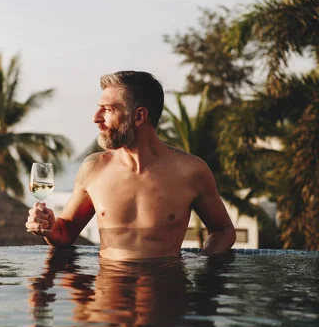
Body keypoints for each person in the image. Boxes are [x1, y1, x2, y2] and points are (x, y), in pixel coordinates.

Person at [26, 71, 236, 259]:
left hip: (162, 298)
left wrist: (203, 276)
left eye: (107, 109)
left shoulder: (191, 171)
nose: (96, 118)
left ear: (138, 116)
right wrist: (49, 227)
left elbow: (223, 231)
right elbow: (66, 232)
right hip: (107, 297)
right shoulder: (93, 168)